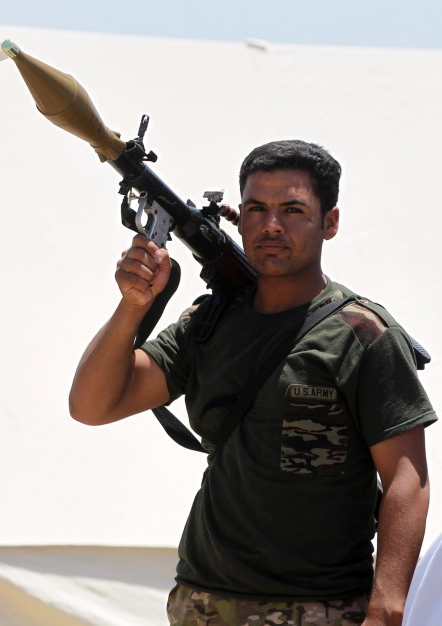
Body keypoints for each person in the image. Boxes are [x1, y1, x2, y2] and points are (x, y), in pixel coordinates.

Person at [68, 140, 433, 626]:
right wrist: (133, 305)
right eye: (257, 209)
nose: (272, 225)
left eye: (293, 210)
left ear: (330, 222)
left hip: (319, 609)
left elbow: (408, 478)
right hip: (203, 602)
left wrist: (387, 608)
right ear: (238, 218)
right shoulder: (209, 322)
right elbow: (92, 405)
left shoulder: (361, 335)